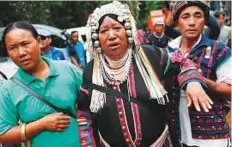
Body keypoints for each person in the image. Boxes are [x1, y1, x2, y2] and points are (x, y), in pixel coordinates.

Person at [78, 1, 213, 147]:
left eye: (117, 28)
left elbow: (182, 62)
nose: (111, 36)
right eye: (103, 31)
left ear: (128, 30)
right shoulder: (91, 71)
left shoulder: (150, 55)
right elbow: (85, 115)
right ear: (96, 37)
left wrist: (192, 81)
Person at [0, 21, 82, 147]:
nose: (21, 53)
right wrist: (40, 125)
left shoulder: (67, 70)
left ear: (39, 41)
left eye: (25, 44)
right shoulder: (8, 89)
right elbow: (4, 135)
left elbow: (95, 104)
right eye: (13, 48)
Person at [168, 1, 231, 147]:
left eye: (198, 16)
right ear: (177, 22)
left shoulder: (219, 50)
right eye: (185, 17)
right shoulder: (168, 51)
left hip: (210, 139)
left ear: (205, 21)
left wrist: (201, 81)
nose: (191, 22)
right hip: (175, 134)